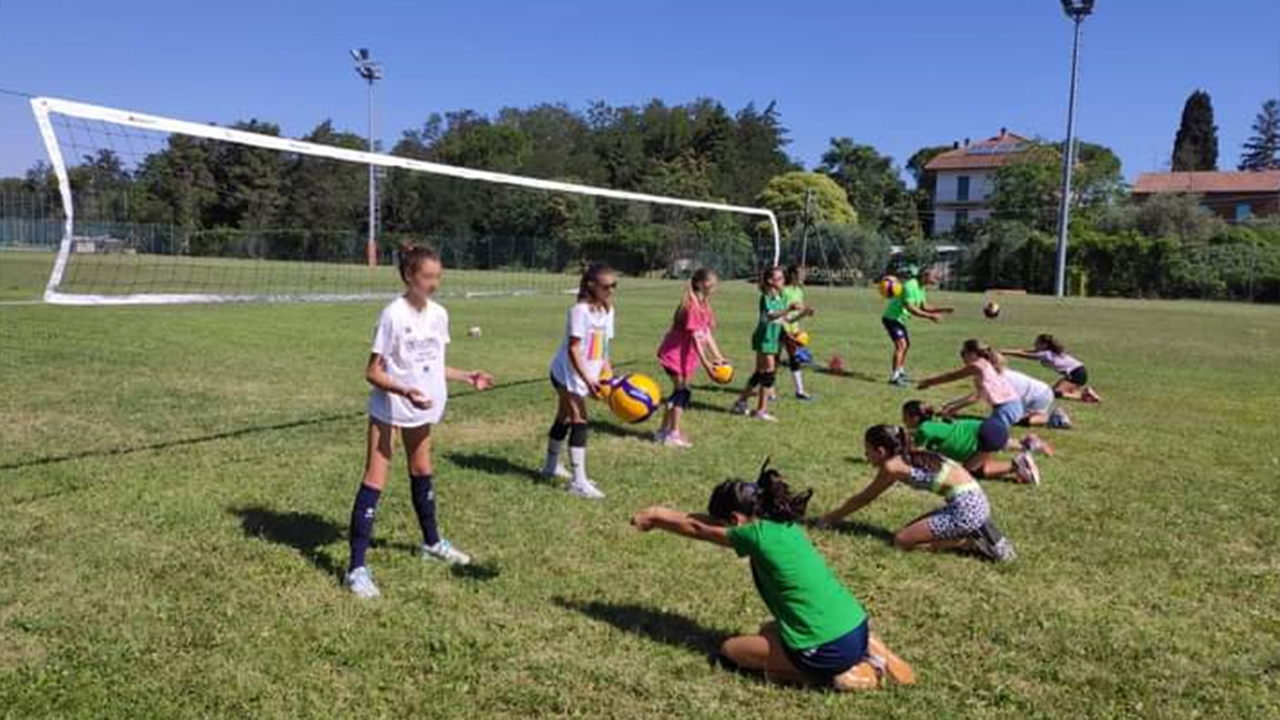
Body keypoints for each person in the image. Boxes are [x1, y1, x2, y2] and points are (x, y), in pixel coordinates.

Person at [630, 461, 915, 691]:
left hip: (828, 646)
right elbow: (704, 524)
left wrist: (655, 515)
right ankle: (870, 648)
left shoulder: (755, 536)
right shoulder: (781, 525)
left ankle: (850, 674)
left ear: (734, 520)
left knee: (731, 653)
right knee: (768, 630)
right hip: (855, 624)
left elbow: (696, 529)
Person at [344, 243, 496, 599]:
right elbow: (372, 372)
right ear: (409, 276)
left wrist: (465, 376)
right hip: (391, 408)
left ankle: (431, 543)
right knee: (375, 479)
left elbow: (430, 365)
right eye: (428, 277)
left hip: (421, 409)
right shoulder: (392, 315)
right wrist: (403, 390)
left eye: (438, 276)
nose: (434, 284)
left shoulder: (439, 315)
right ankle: (356, 569)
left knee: (422, 470)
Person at [818, 425, 1016, 562]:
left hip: (966, 511)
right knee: (909, 533)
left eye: (867, 450)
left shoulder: (892, 466)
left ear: (880, 451)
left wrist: (829, 518)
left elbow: (865, 498)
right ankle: (972, 531)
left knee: (901, 541)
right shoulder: (912, 454)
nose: (865, 455)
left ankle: (969, 541)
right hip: (975, 502)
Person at [543, 263, 616, 500]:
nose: (611, 290)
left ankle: (551, 466)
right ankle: (579, 482)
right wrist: (587, 379)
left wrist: (608, 375)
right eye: (607, 286)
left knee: (563, 416)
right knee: (579, 419)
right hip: (568, 372)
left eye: (614, 285)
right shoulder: (580, 311)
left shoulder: (607, 310)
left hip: (589, 373)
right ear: (592, 285)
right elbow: (574, 349)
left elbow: (604, 347)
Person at [917, 339, 1036, 484]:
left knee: (988, 445)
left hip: (1006, 408)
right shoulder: (986, 367)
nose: (961, 356)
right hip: (1013, 405)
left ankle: (1020, 462)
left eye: (963, 353)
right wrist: (952, 407)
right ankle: (1026, 447)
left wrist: (928, 382)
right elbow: (975, 397)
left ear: (973, 353)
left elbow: (952, 376)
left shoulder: (977, 365)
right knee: (991, 441)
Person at [654, 268, 727, 448]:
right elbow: (695, 337)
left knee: (678, 392)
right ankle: (673, 434)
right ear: (701, 284)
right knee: (682, 392)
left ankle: (662, 431)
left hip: (686, 357)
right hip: (673, 356)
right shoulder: (691, 306)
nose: (715, 285)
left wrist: (719, 357)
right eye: (712, 282)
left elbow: (706, 334)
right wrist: (707, 364)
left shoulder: (704, 305)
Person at [902, 400, 1048, 485]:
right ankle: (1026, 444)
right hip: (990, 427)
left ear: (915, 418)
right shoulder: (933, 422)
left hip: (987, 434)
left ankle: (1017, 464)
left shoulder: (924, 430)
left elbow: (914, 454)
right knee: (986, 451)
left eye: (905, 417)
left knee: (971, 471)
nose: (903, 420)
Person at [733, 266, 794, 422]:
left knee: (760, 373)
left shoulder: (783, 296)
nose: (783, 281)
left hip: (773, 338)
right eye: (779, 278)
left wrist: (803, 314)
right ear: (770, 281)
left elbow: (785, 320)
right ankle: (761, 410)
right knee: (768, 374)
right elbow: (771, 315)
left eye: (783, 278)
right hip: (764, 339)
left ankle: (740, 402)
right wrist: (788, 309)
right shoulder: (765, 296)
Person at [881, 266, 953, 387]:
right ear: (924, 276)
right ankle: (894, 378)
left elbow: (924, 307)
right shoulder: (910, 285)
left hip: (900, 320)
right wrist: (930, 317)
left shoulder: (921, 287)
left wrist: (942, 309)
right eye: (933, 276)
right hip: (891, 318)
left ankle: (900, 373)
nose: (935, 279)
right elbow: (911, 309)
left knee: (906, 345)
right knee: (901, 345)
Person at [937, 367, 1072, 430]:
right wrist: (951, 405)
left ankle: (1055, 418)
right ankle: (1050, 417)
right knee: (1009, 417)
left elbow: (976, 397)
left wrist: (952, 409)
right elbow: (976, 394)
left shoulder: (992, 377)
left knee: (1017, 421)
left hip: (1038, 396)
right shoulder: (994, 372)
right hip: (1040, 391)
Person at [1003, 334, 1101, 403]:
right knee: (1057, 391)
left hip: (1076, 373)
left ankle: (1083, 396)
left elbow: (1024, 355)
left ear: (1044, 345)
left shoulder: (1045, 354)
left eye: (1037, 343)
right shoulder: (1048, 351)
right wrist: (1004, 351)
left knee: (1055, 393)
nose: (1034, 344)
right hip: (1079, 370)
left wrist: (1007, 353)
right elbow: (1023, 351)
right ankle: (1085, 393)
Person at [780, 265, 817, 401]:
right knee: (788, 359)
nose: (804, 276)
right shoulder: (784, 291)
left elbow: (795, 316)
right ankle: (798, 392)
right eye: (801, 274)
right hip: (782, 329)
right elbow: (781, 314)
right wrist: (786, 331)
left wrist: (805, 313)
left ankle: (799, 391)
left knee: (791, 359)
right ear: (793, 275)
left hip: (793, 329)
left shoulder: (799, 291)